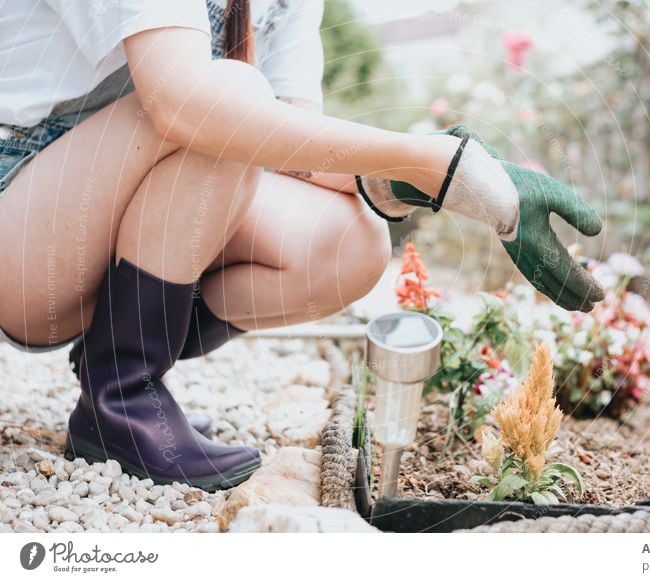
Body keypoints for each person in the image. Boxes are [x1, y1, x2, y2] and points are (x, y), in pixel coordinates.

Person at [0, 0, 604, 491]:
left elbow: (298, 152)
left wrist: (445, 182)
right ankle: (122, 399)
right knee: (228, 100)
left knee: (347, 243)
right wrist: (425, 159)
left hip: (102, 204)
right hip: (25, 231)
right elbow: (185, 102)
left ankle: (120, 355)